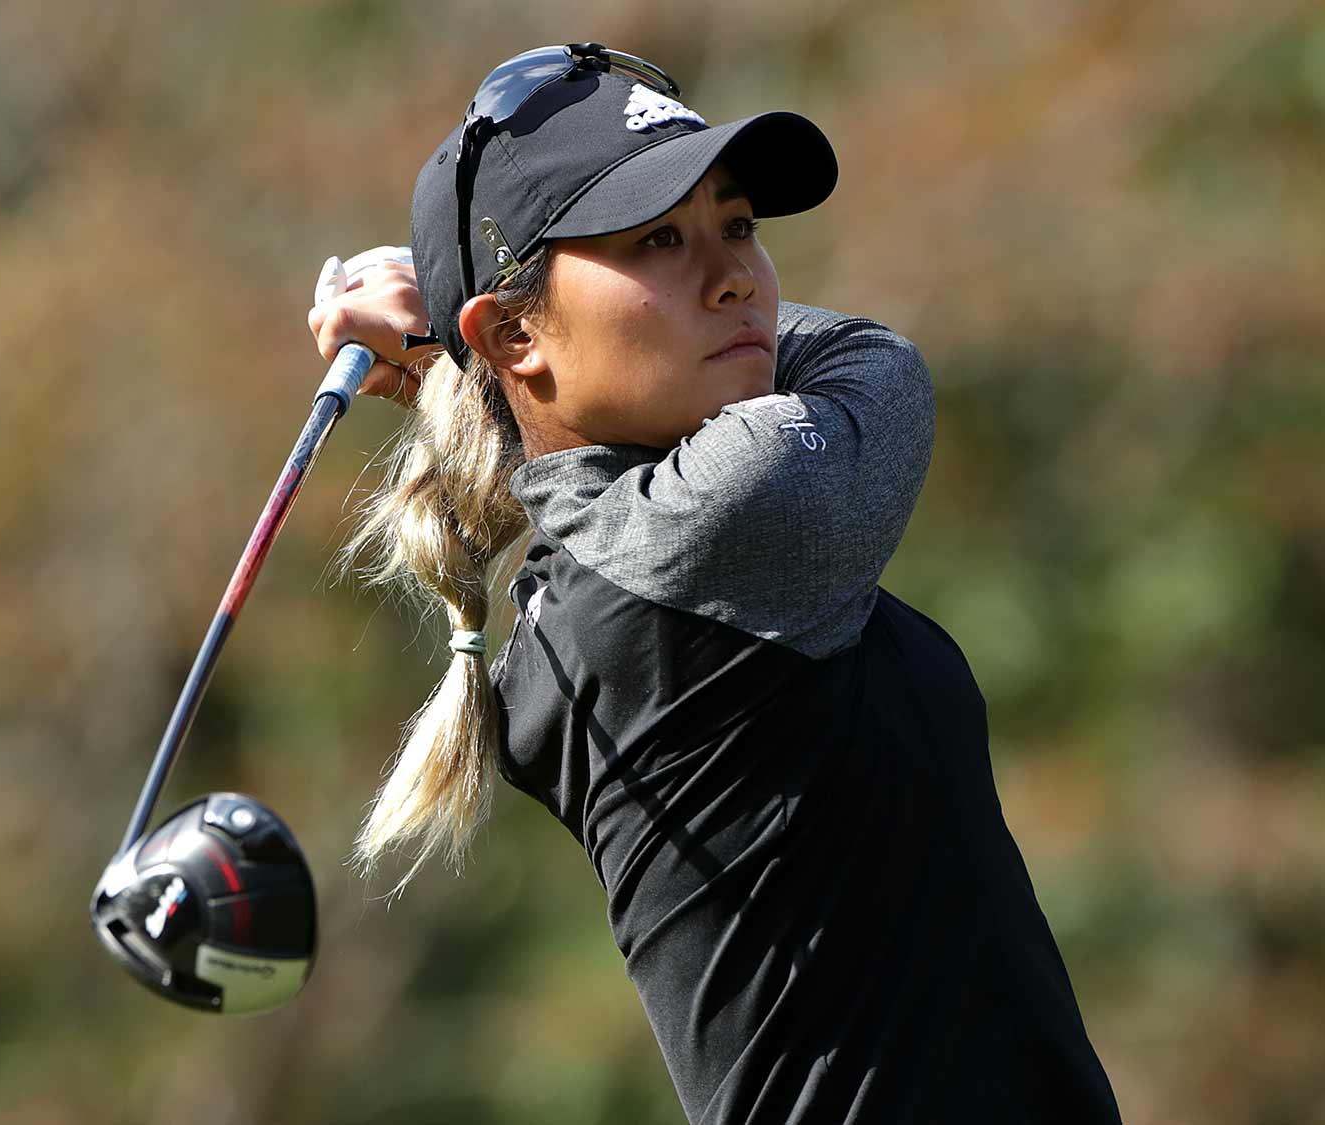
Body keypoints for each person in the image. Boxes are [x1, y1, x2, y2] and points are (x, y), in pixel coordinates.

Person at [306, 42, 1121, 1124]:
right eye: (658, 239)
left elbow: (556, 452)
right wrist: (457, 359)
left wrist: (471, 367)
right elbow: (877, 366)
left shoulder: (592, 575)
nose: (735, 275)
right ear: (512, 334)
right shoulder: (731, 519)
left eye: (735, 226)